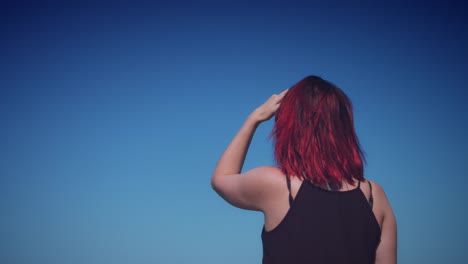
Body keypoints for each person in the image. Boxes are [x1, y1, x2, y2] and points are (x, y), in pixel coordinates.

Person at [211, 75, 397, 264]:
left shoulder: (278, 184)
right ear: (343, 128)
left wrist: (255, 117)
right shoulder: (375, 197)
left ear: (289, 126)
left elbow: (221, 179)